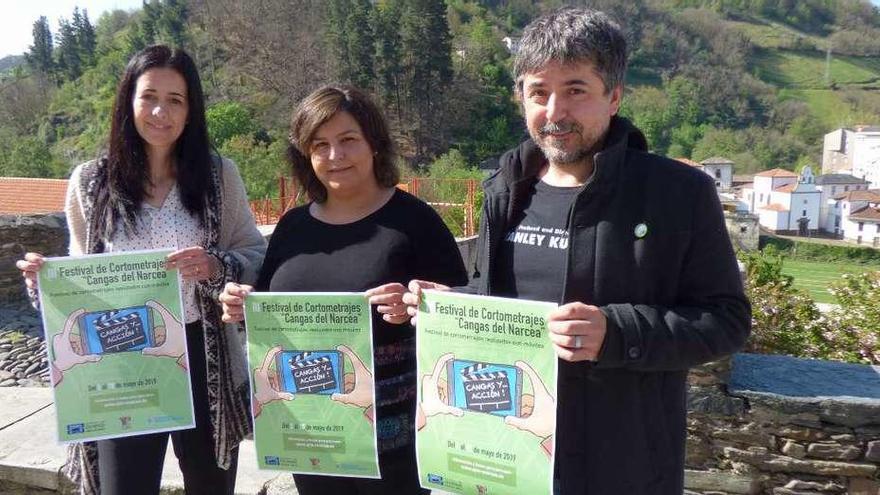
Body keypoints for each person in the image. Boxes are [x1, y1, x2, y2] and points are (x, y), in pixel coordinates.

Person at [403, 7, 751, 494]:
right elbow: (498, 304)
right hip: (506, 459)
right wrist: (445, 305)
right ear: (520, 97)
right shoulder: (506, 188)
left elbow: (726, 321)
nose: (554, 112)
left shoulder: (679, 193)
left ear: (614, 97)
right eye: (538, 92)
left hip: (620, 466)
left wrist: (615, 331)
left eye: (575, 90)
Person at [16, 45, 265, 495]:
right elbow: (78, 271)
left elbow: (253, 252)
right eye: (149, 95)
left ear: (191, 110)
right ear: (127, 100)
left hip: (203, 355)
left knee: (211, 486)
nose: (160, 111)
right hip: (120, 356)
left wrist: (216, 266)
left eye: (176, 99)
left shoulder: (218, 176)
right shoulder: (90, 182)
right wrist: (45, 281)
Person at [219, 85, 468, 494]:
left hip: (392, 445)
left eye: (348, 140)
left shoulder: (415, 221)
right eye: (320, 145)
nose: (335, 156)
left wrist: (419, 306)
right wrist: (243, 305)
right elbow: (268, 311)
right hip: (310, 434)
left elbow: (462, 318)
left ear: (374, 144)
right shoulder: (291, 227)